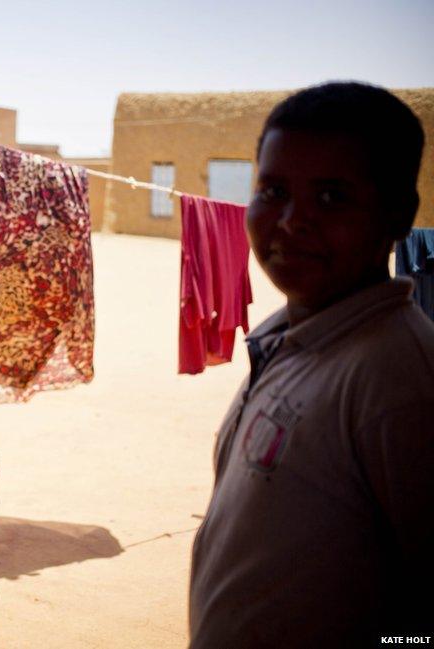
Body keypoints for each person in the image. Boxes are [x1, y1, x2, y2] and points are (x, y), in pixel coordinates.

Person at [189, 82, 434, 646]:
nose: (292, 221)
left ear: (398, 214)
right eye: (273, 190)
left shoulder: (398, 383)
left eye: (331, 198)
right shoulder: (288, 336)